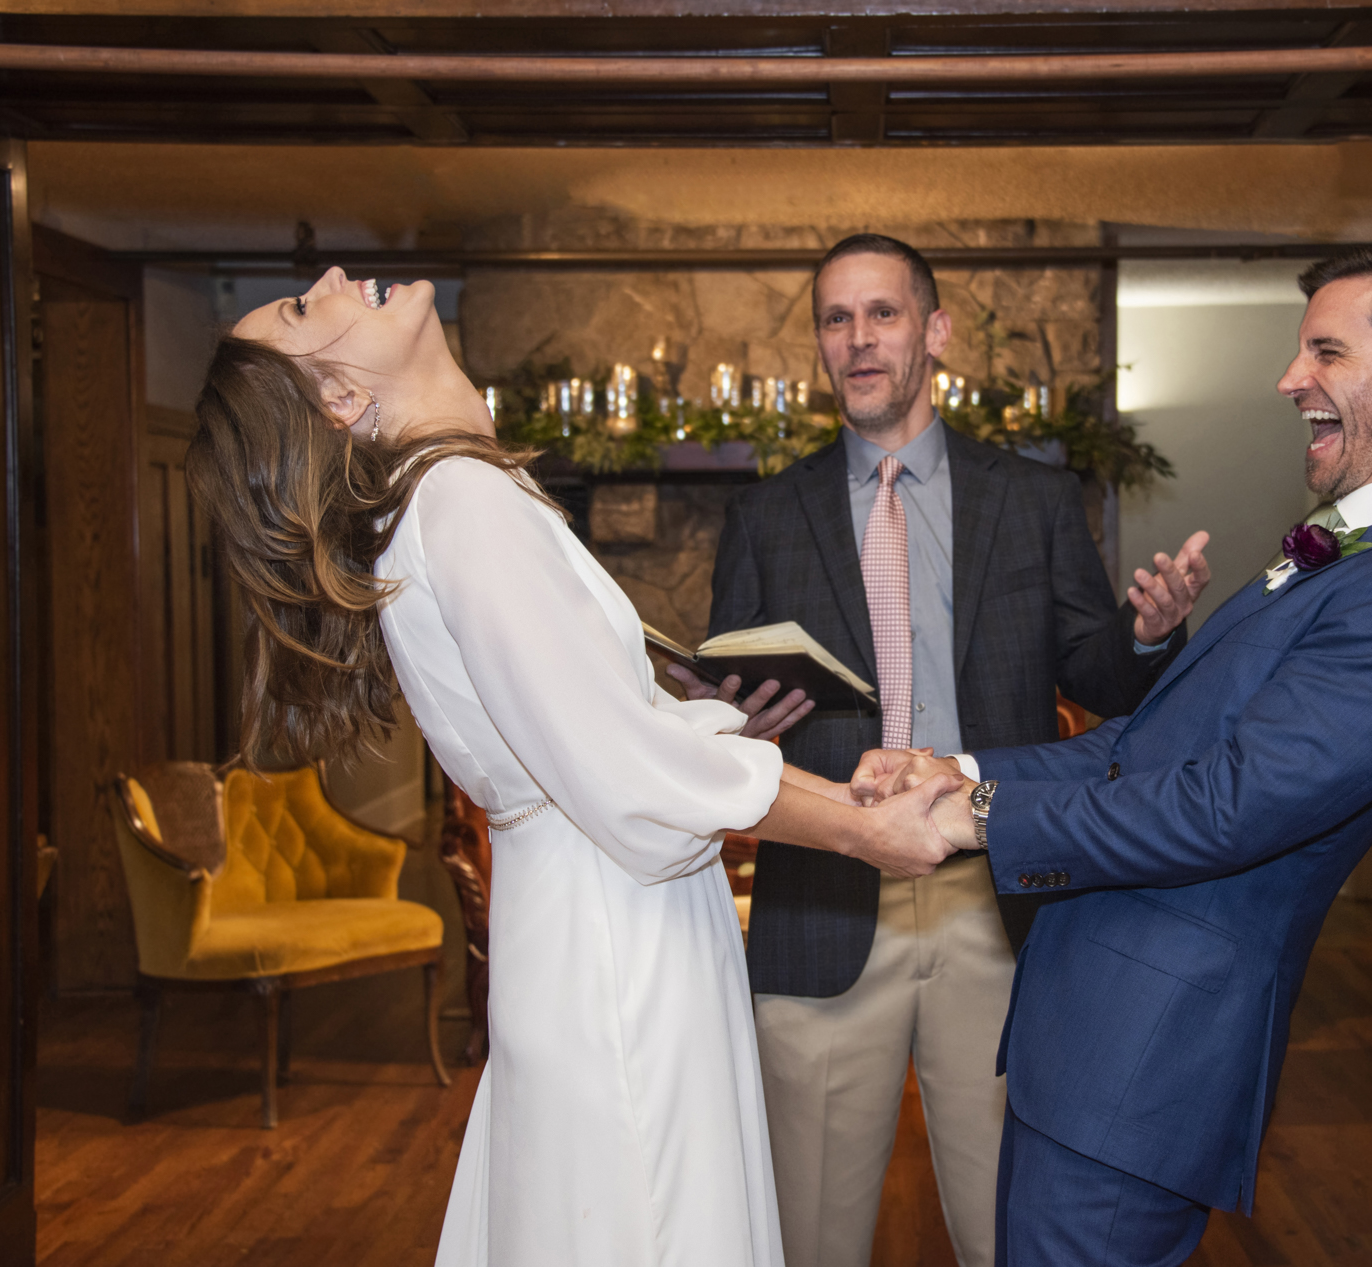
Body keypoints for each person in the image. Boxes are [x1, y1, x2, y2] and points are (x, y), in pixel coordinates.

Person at [184, 266, 959, 1267]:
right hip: (613, 936)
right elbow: (623, 775)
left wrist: (780, 757)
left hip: (588, 913)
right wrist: (863, 828)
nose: (330, 277)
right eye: (300, 308)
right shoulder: (458, 500)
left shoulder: (449, 494)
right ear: (337, 398)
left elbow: (593, 735)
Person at [857, 242, 1372, 1266]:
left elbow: (1224, 804)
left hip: (1147, 1061)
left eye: (1326, 353)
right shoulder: (1336, 546)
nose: (1291, 379)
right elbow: (1150, 742)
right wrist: (965, 769)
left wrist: (977, 820)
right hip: (1088, 1043)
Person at [670, 233, 1208, 1267]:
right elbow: (728, 701)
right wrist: (721, 714)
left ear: (935, 331)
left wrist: (1146, 635)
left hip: (994, 909)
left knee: (1008, 1232)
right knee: (807, 1239)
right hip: (821, 905)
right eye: (836, 318)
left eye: (882, 313)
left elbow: (1098, 677)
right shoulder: (766, 515)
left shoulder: (1035, 501)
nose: (858, 339)